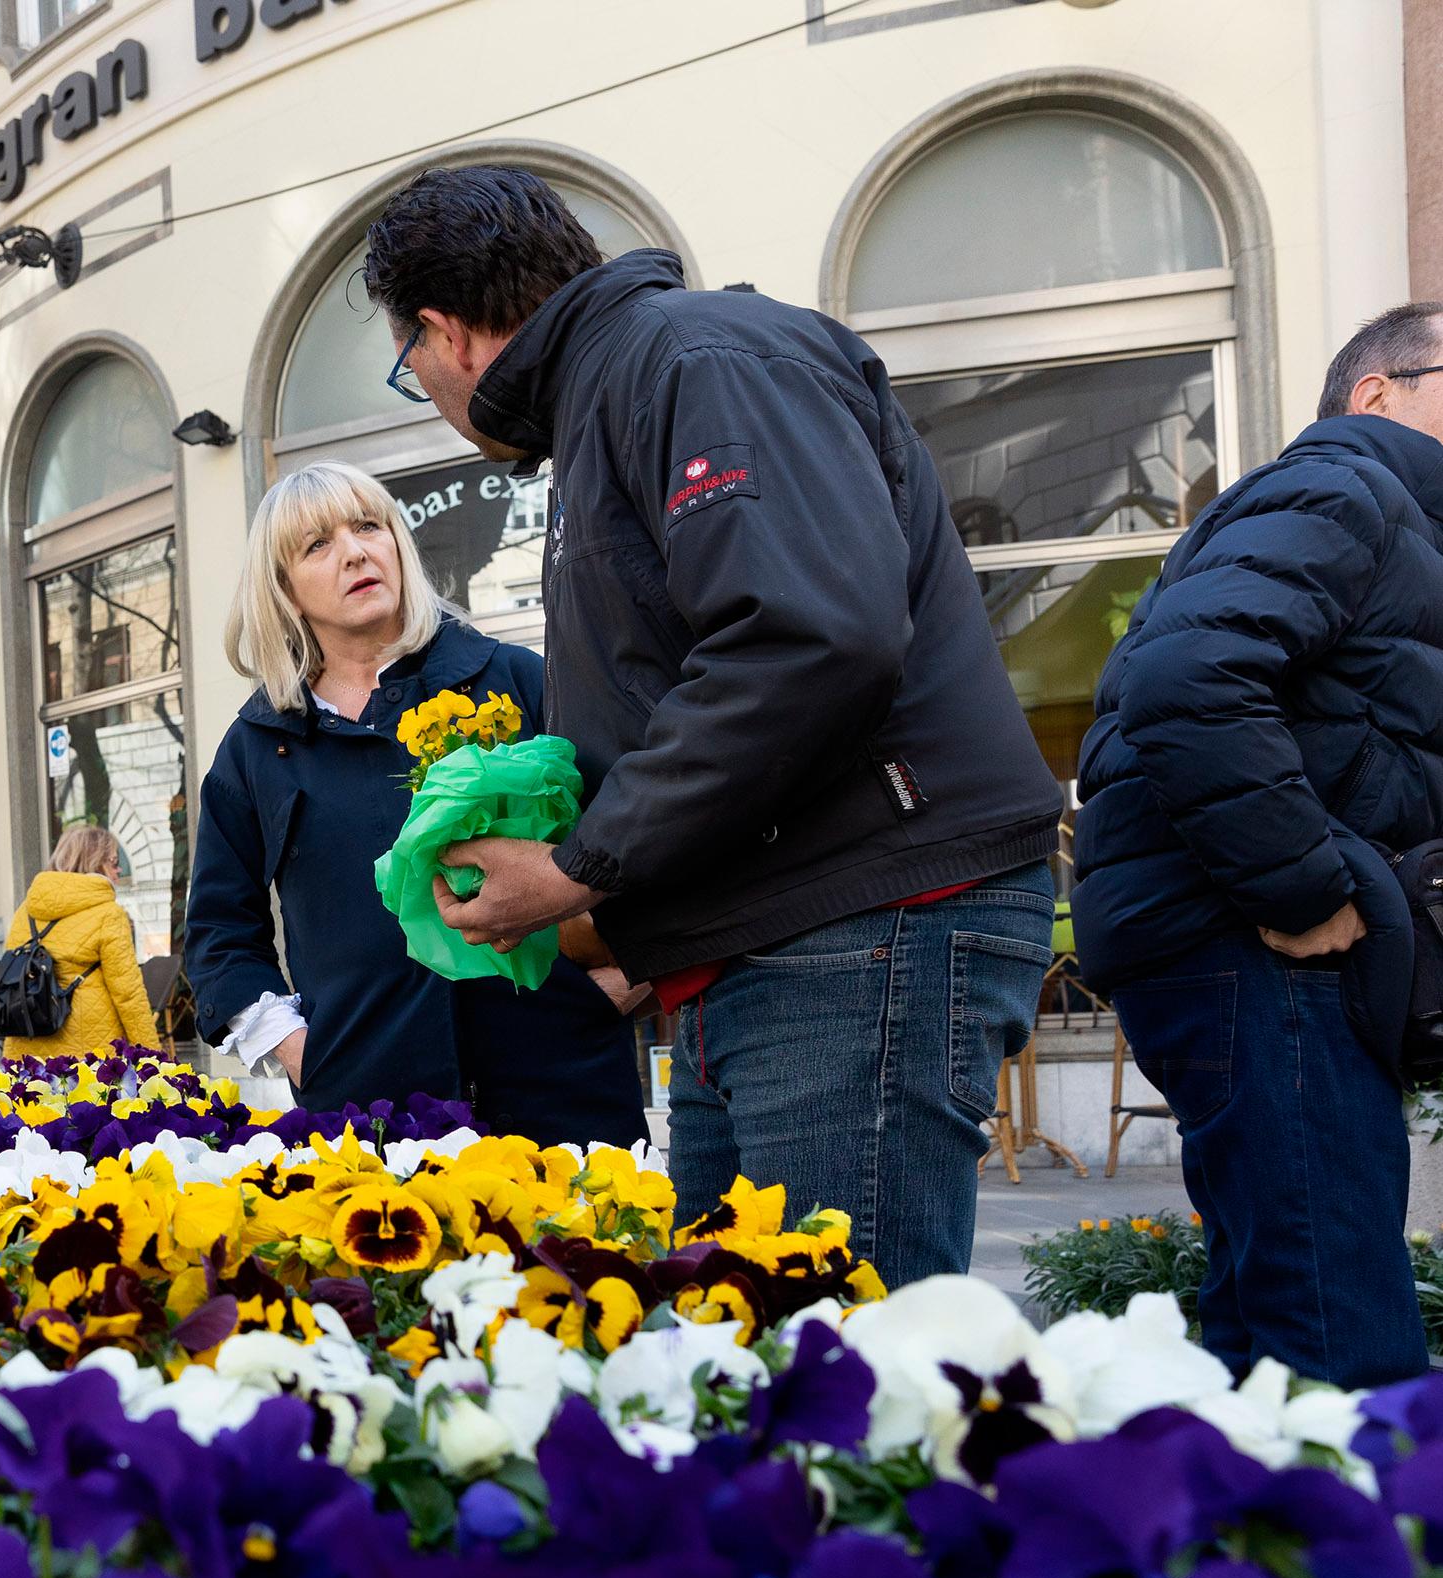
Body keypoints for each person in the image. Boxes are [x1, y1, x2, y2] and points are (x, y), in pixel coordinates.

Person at [364, 167, 1057, 1282]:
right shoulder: (627, 388)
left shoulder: (691, 360)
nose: (432, 395)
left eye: (412, 371)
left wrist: (579, 864)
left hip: (859, 924)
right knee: (748, 1347)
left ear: (447, 336)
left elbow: (806, 639)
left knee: (839, 1367)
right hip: (786, 935)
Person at [1070, 304, 1443, 1386]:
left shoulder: (1385, 515)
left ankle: (1254, 1541)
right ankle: (1352, 1545)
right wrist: (1298, 884)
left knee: (1281, 1323)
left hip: (1255, 947)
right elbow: (1187, 679)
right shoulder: (1347, 484)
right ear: (1377, 393)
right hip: (1257, 941)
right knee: (1334, 1330)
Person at [184, 462, 646, 1144]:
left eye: (369, 526)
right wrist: (302, 1050)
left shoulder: (517, 680)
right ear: (284, 589)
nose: (354, 552)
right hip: (369, 1124)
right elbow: (221, 936)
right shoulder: (260, 746)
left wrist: (619, 986)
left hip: (564, 1098)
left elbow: (640, 835)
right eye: (316, 545)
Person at [4, 826, 161, 1060]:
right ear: (95, 862)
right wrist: (153, 1057)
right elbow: (128, 994)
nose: (118, 871)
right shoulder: (109, 914)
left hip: (25, 1046)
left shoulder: (24, 911)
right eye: (113, 861)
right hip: (88, 1050)